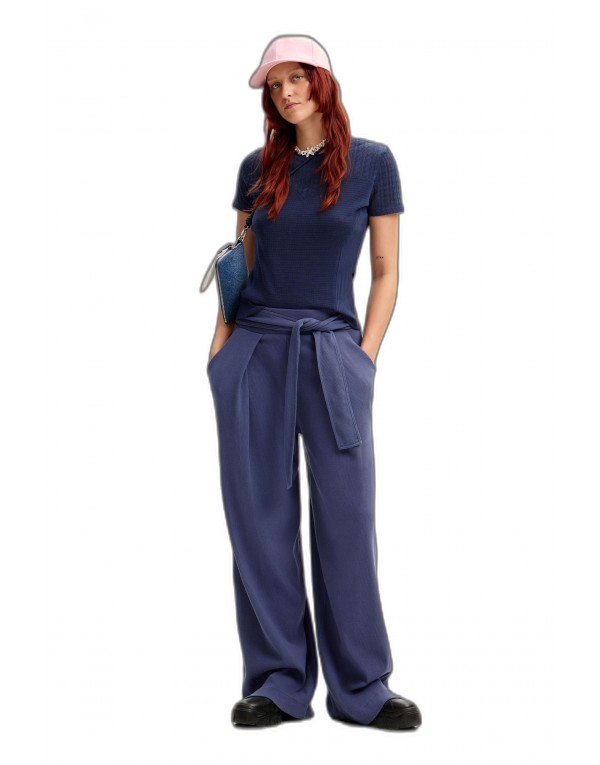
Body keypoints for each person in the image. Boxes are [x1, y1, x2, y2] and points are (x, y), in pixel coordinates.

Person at [206, 34, 422, 731]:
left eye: (296, 78)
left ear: (323, 82)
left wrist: (365, 356)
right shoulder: (256, 168)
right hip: (255, 350)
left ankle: (363, 685)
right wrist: (221, 351)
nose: (286, 93)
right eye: (275, 86)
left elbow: (385, 270)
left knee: (347, 518)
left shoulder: (372, 163)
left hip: (332, 351)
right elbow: (240, 263)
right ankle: (277, 680)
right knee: (258, 518)